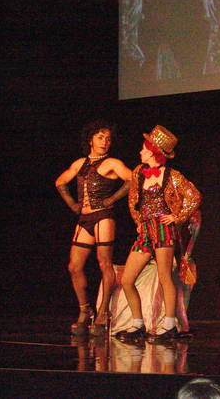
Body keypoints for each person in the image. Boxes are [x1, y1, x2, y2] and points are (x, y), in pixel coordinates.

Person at [117, 125, 202, 341]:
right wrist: (138, 222)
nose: (140, 152)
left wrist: (177, 216)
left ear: (153, 152)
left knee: (165, 276)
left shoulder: (173, 176)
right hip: (146, 229)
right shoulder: (138, 172)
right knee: (127, 279)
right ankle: (137, 324)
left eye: (144, 149)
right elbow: (133, 200)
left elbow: (194, 196)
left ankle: (169, 324)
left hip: (163, 228)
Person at [55, 120, 131, 336]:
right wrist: (73, 205)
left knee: (104, 263)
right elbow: (60, 182)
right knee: (74, 267)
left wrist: (112, 199)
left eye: (108, 139)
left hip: (103, 217)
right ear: (90, 140)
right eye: (100, 137)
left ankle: (103, 313)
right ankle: (85, 310)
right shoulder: (80, 163)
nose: (105, 142)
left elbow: (133, 179)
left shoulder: (112, 162)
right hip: (85, 219)